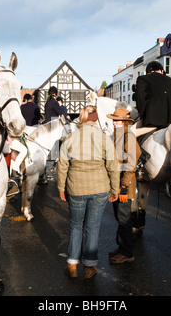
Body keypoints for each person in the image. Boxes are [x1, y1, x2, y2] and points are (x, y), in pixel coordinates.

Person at [57, 105, 119, 279]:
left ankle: (72, 265)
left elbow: (62, 166)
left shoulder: (70, 138)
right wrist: (114, 188)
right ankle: (90, 267)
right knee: (93, 227)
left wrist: (61, 187)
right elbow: (112, 166)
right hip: (100, 188)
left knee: (76, 225)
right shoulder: (104, 138)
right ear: (95, 119)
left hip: (76, 187)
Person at [106, 108, 141, 264]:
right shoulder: (119, 135)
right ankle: (121, 247)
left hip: (123, 185)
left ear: (125, 122)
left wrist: (124, 186)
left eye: (117, 120)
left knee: (124, 219)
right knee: (120, 217)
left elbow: (131, 163)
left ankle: (127, 253)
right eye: (113, 120)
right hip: (117, 184)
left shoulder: (129, 136)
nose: (114, 123)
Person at [135, 61, 171, 130]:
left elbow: (140, 97)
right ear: (161, 71)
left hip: (153, 119)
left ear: (148, 72)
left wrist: (142, 113)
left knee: (129, 134)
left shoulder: (143, 79)